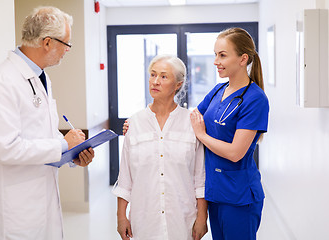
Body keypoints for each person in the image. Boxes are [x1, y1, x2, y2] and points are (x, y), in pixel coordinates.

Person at [0, 6, 94, 240]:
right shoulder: (3, 81)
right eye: (66, 44)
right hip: (15, 214)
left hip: (41, 203)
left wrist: (73, 154)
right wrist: (63, 144)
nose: (67, 51)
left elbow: (41, 138)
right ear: (48, 42)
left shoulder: (41, 78)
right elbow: (6, 149)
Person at [113, 55, 208, 240]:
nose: (155, 81)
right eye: (153, 75)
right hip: (144, 221)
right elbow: (125, 177)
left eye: (164, 77)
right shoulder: (135, 123)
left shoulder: (191, 123)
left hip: (182, 220)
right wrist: (121, 216)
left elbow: (200, 178)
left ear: (178, 84)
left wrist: (202, 217)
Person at [190, 27, 269, 240]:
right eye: (215, 54)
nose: (216, 61)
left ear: (243, 59)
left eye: (222, 55)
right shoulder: (217, 90)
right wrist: (145, 123)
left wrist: (203, 136)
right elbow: (191, 119)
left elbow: (236, 152)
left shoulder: (255, 99)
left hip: (239, 196)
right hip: (215, 192)